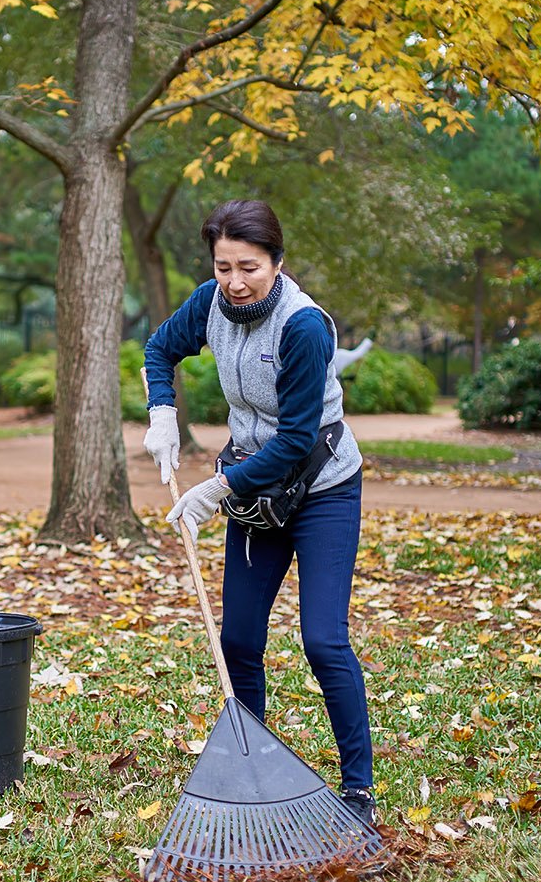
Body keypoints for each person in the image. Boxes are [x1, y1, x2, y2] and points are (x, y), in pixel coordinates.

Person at [141, 199, 375, 825]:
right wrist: (162, 413)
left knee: (323, 640)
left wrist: (216, 490)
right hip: (255, 489)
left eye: (249, 266)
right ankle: (254, 773)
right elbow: (160, 349)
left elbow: (298, 439)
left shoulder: (303, 327)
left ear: (277, 261)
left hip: (322, 488)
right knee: (239, 638)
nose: (235, 282)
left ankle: (358, 792)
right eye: (223, 267)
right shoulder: (212, 303)